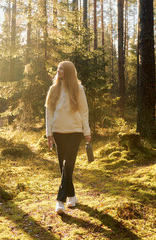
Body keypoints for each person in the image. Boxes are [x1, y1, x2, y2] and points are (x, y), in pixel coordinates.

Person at [45, 61, 91, 214]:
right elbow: (49, 113)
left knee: (68, 164)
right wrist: (49, 133)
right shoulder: (53, 89)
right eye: (58, 68)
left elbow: (84, 111)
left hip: (75, 131)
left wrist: (87, 131)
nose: (59, 70)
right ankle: (71, 196)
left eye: (62, 69)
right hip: (58, 131)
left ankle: (60, 200)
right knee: (63, 166)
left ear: (69, 72)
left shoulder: (78, 89)